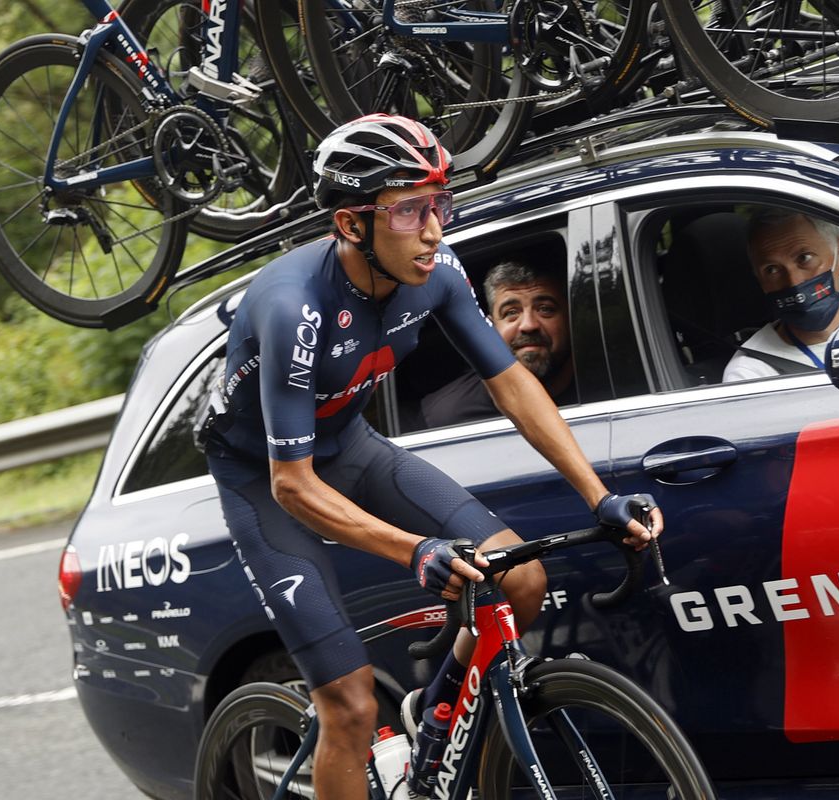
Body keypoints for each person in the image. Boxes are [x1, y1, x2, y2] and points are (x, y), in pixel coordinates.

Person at [195, 114, 663, 800]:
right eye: (410, 210)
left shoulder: (437, 271)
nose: (436, 229)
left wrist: (599, 495)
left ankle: (436, 732)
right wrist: (417, 550)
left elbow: (513, 386)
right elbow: (292, 486)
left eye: (439, 203)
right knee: (350, 708)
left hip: (350, 444)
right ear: (354, 225)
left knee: (522, 580)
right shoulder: (295, 308)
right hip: (266, 482)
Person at [722, 210, 839, 382]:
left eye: (804, 258)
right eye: (772, 269)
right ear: (760, 280)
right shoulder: (751, 374)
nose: (794, 283)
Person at [420, 259, 576, 428]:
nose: (528, 325)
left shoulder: (605, 390)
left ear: (570, 318)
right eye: (511, 312)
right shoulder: (446, 418)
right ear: (491, 327)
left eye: (545, 309)